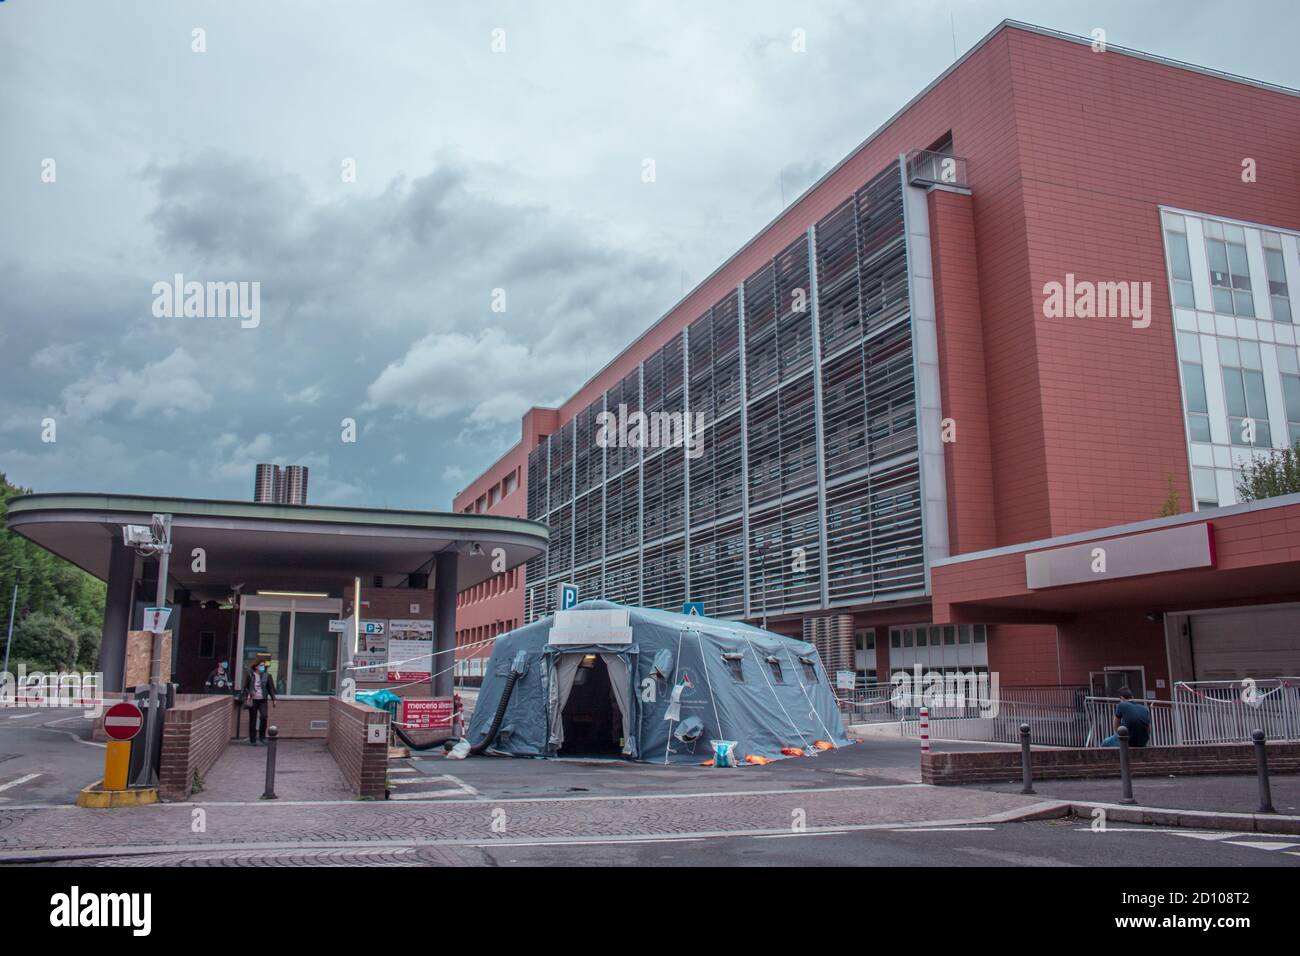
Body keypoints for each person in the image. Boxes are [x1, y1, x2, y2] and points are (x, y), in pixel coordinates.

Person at [241, 660, 277, 745]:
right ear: (256, 666)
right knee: (253, 719)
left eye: (264, 665)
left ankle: (262, 737)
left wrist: (274, 699)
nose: (263, 667)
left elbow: (271, 688)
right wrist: (248, 694)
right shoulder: (250, 675)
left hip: (263, 700)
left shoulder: (267, 676)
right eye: (261, 665)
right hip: (253, 700)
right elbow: (245, 687)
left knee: (264, 717)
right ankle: (253, 739)